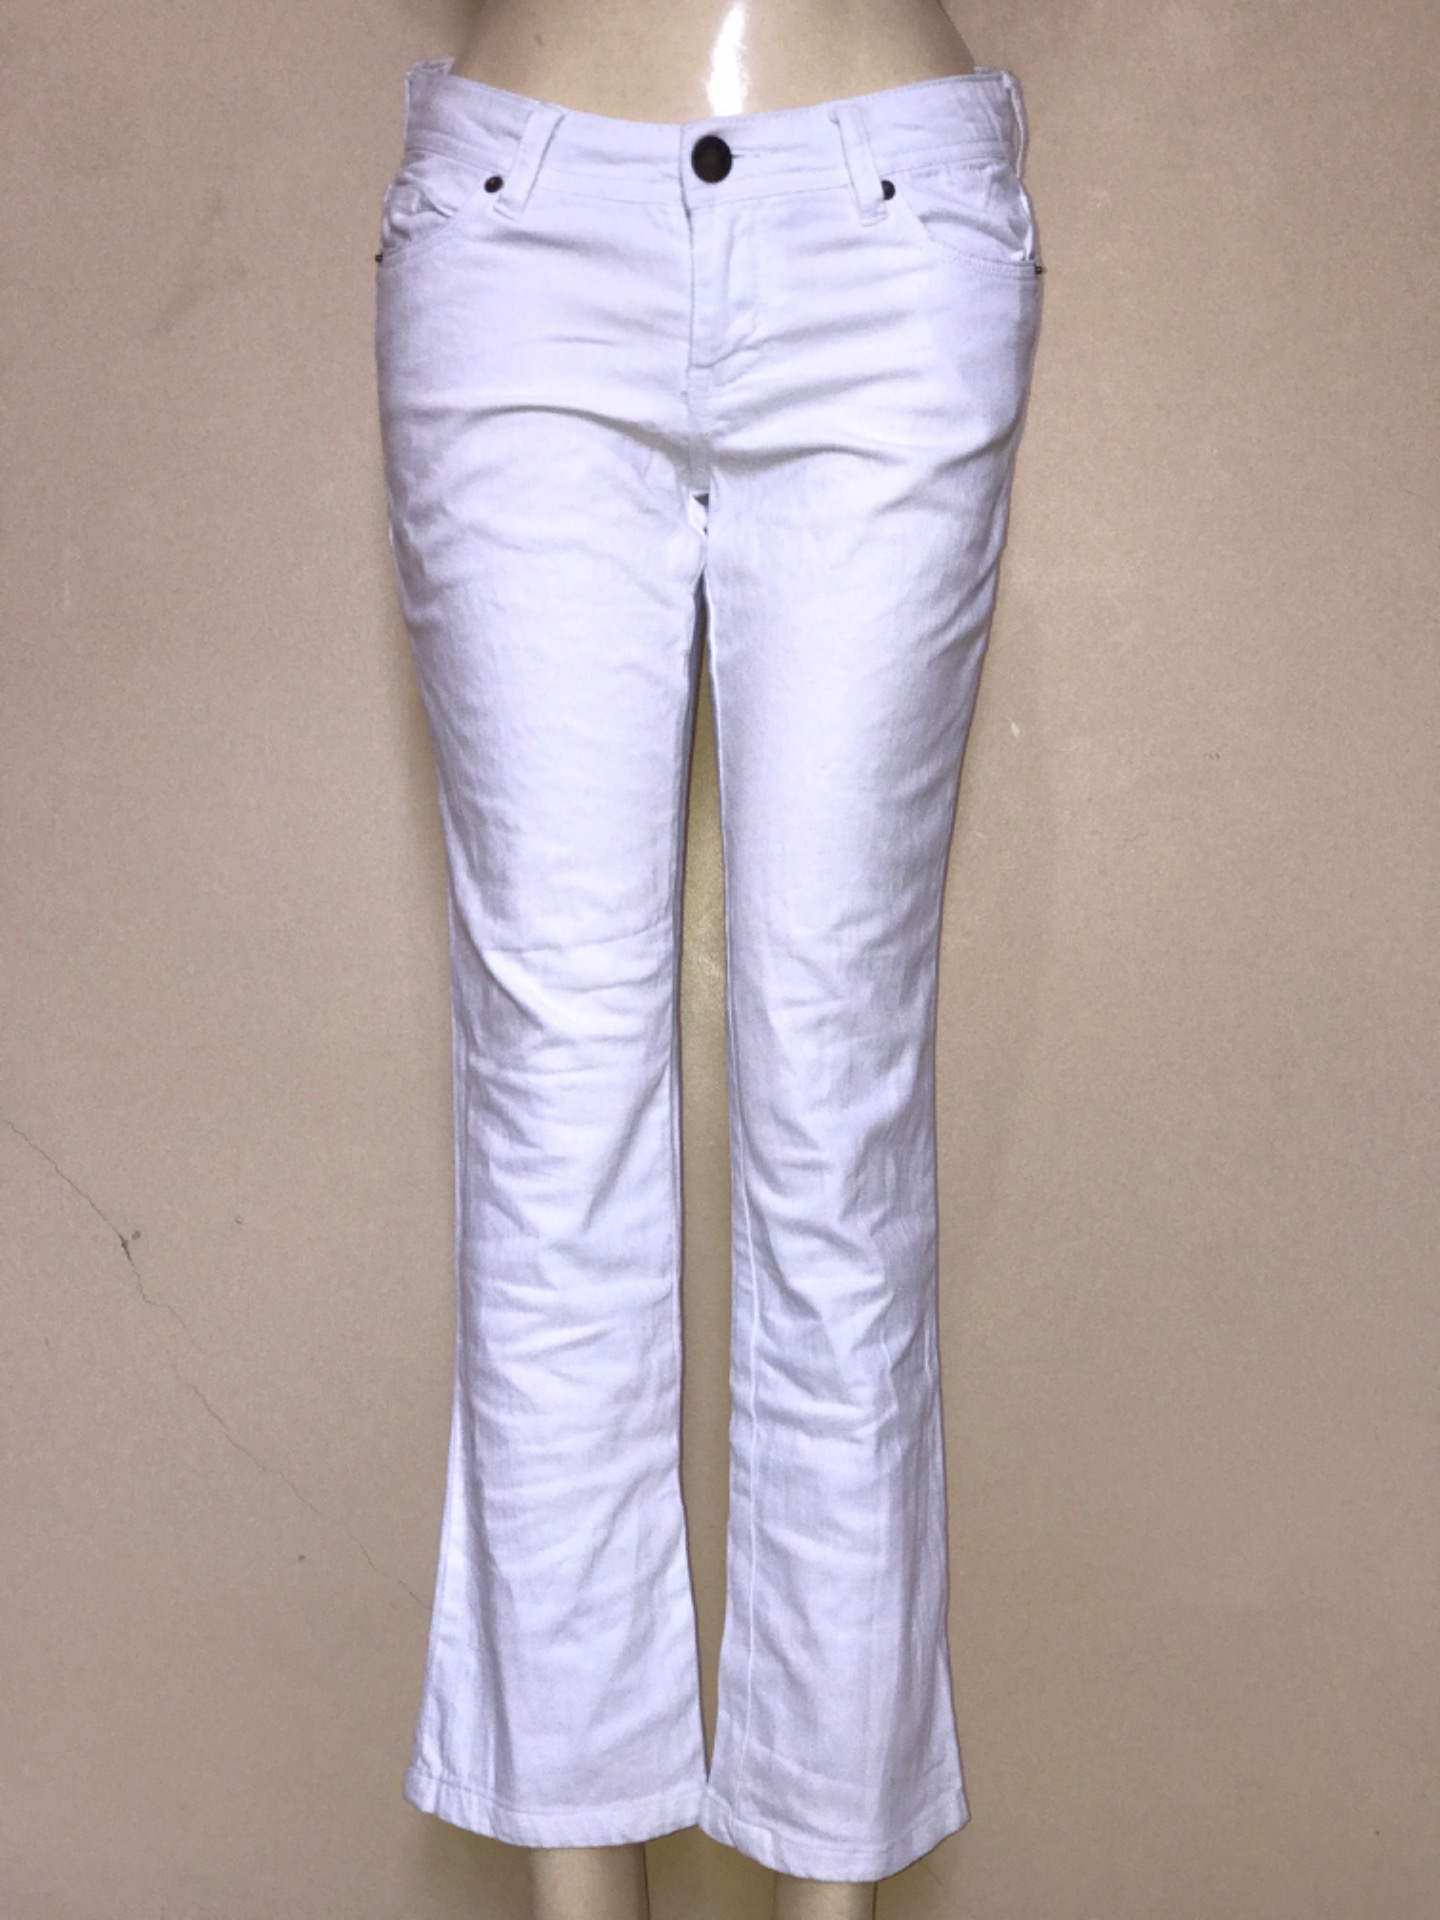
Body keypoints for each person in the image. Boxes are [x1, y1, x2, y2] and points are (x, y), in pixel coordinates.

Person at [373, 5, 1044, 1917]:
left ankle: (827, 1886)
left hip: (886, 229)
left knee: (835, 1104)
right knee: (552, 1103)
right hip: (521, 227)